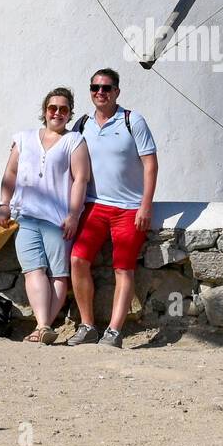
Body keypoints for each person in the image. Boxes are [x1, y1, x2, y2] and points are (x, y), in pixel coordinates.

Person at [65, 68, 158, 348]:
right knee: (78, 260)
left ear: (117, 91)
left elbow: (150, 164)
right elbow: (63, 149)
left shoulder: (133, 120)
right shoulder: (82, 123)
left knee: (123, 269)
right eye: (95, 88)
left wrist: (145, 205)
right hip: (93, 206)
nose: (100, 93)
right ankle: (88, 326)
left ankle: (114, 332)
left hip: (128, 209)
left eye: (106, 88)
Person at [0, 87, 91, 344]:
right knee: (33, 271)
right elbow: (11, 173)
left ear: (70, 113)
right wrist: (4, 205)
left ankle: (42, 327)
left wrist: (73, 215)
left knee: (58, 274)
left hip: (57, 219)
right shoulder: (24, 138)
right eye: (53, 108)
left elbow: (80, 179)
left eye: (63, 109)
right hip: (26, 216)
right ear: (44, 111)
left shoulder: (75, 141)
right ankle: (43, 325)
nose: (57, 113)